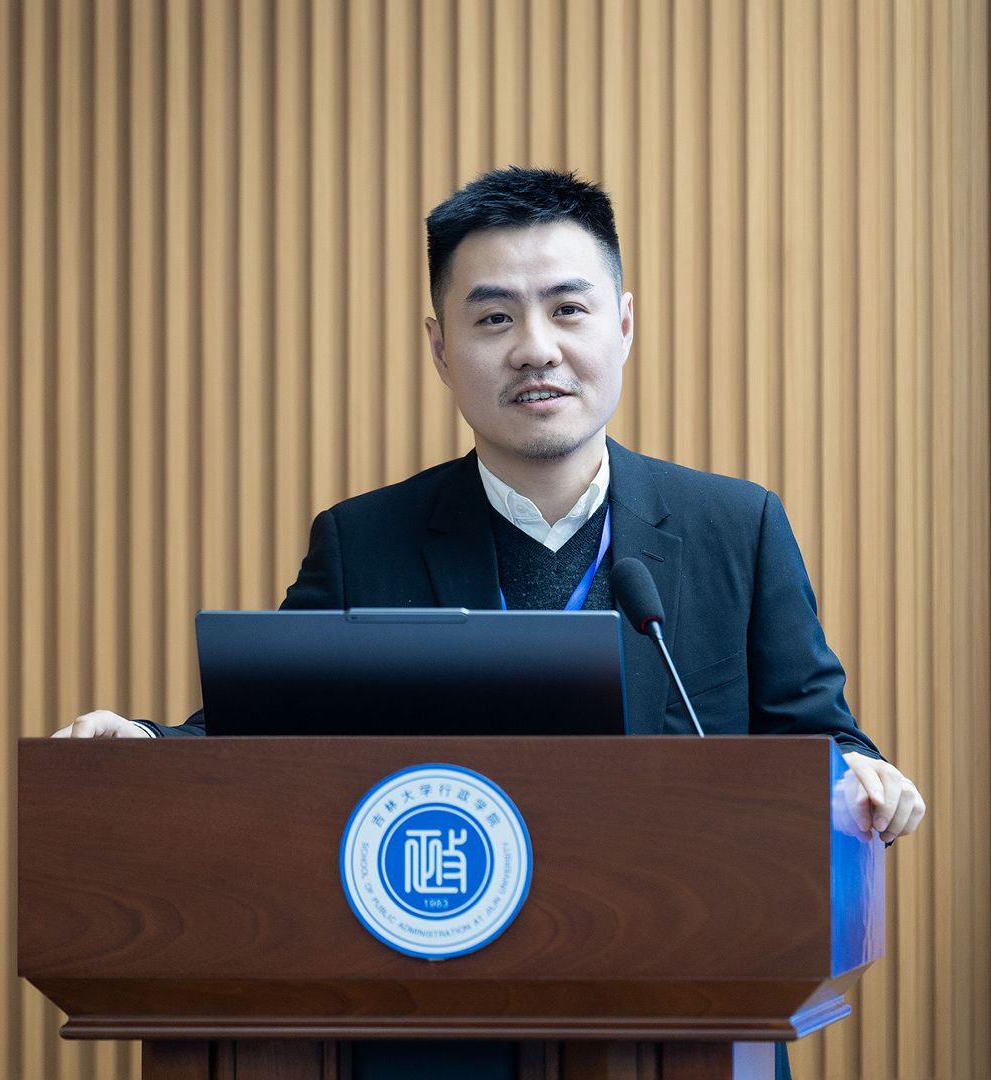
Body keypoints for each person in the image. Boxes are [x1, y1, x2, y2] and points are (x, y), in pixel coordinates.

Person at [55, 167, 925, 1079]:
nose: (535, 349)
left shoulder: (735, 528)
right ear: (440, 348)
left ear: (625, 323)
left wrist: (862, 777)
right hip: (430, 1029)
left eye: (569, 309)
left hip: (680, 1019)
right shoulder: (365, 540)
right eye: (495, 318)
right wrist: (142, 746)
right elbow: (259, 739)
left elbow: (819, 741)